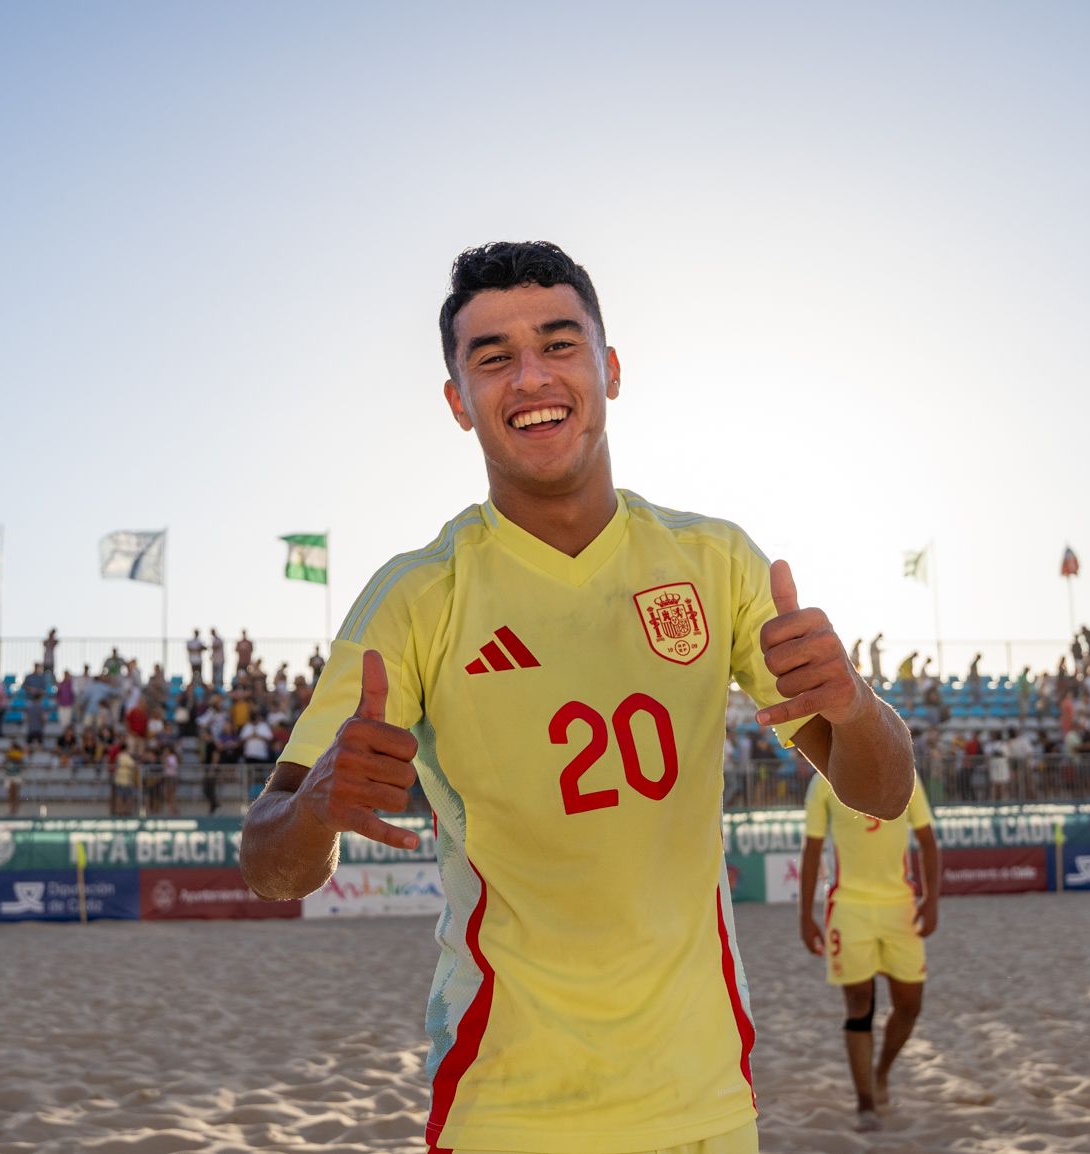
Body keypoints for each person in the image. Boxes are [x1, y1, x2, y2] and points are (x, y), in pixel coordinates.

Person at [239, 241, 912, 1154]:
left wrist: (856, 704)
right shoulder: (414, 597)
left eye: (559, 343)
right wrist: (317, 805)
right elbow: (271, 863)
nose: (530, 376)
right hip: (505, 1100)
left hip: (702, 1090)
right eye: (491, 357)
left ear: (610, 369)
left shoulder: (714, 562)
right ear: (456, 401)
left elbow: (876, 789)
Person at [799, 769, 939, 1133]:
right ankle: (864, 1102)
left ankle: (881, 1073)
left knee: (910, 1005)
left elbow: (927, 840)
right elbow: (812, 849)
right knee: (860, 1004)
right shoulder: (822, 781)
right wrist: (805, 915)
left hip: (900, 907)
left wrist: (932, 899)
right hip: (848, 906)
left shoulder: (904, 773)